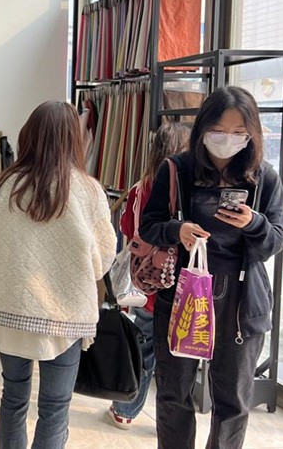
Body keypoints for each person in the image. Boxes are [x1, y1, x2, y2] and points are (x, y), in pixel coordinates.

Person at [140, 86, 283, 449]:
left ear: (251, 134)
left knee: (233, 401)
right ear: (203, 127)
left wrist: (253, 223)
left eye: (239, 132)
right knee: (173, 394)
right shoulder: (177, 169)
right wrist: (178, 230)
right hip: (182, 293)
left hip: (240, 300)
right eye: (219, 130)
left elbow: (275, 240)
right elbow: (148, 226)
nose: (227, 140)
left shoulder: (264, 177)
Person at [0, 101, 116, 448]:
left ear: (29, 135)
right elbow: (103, 256)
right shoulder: (88, 190)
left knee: (13, 398)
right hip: (64, 317)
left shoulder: (3, 185)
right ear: (72, 139)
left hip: (10, 311)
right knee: (55, 407)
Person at [107, 121, 191, 430]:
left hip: (146, 279)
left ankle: (125, 409)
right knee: (175, 353)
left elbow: (127, 228)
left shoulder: (140, 188)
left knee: (143, 347)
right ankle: (170, 419)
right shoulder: (185, 191)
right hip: (181, 282)